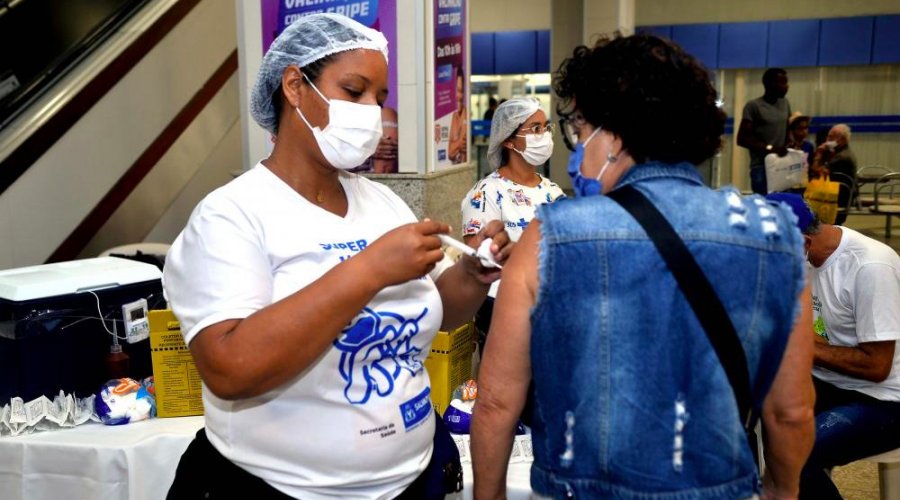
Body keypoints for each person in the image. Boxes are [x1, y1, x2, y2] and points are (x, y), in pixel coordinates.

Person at [163, 14, 511, 499]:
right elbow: (229, 369)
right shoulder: (231, 215)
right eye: (354, 91)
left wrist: (474, 274)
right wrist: (367, 271)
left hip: (408, 479)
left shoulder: (381, 203)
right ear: (294, 86)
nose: (372, 111)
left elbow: (431, 307)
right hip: (279, 488)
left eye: (380, 98)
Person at [471, 34, 815, 500]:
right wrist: (781, 490)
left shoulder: (549, 236)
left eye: (577, 126)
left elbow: (495, 403)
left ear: (612, 134)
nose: (574, 146)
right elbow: (789, 413)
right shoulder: (774, 237)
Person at [768, 193, 900, 500]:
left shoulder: (870, 267)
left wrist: (801, 344)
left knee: (794, 455)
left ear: (802, 242)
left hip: (885, 400)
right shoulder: (806, 259)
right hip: (832, 383)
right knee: (756, 413)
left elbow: (878, 367)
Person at [460, 96, 564, 347]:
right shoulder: (485, 193)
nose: (545, 136)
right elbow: (478, 259)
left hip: (550, 303)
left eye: (546, 127)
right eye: (536, 129)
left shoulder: (553, 191)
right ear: (508, 139)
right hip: (503, 306)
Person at [738, 67, 792, 194]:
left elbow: (787, 129)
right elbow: (742, 139)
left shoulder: (785, 103)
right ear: (770, 84)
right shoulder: (754, 106)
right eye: (783, 83)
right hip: (762, 167)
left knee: (781, 205)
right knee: (764, 206)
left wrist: (789, 144)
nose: (787, 86)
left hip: (781, 165)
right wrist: (770, 148)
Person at [811, 123, 858, 225]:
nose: (827, 139)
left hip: (838, 199)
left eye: (830, 137)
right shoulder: (838, 153)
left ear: (841, 140)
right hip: (839, 195)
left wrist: (819, 153)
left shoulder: (842, 157)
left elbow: (818, 172)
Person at [448, 66, 468, 164]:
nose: (459, 96)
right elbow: (450, 153)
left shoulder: (466, 115)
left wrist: (456, 144)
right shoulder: (454, 116)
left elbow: (454, 148)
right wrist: (459, 142)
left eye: (461, 91)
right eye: (457, 91)